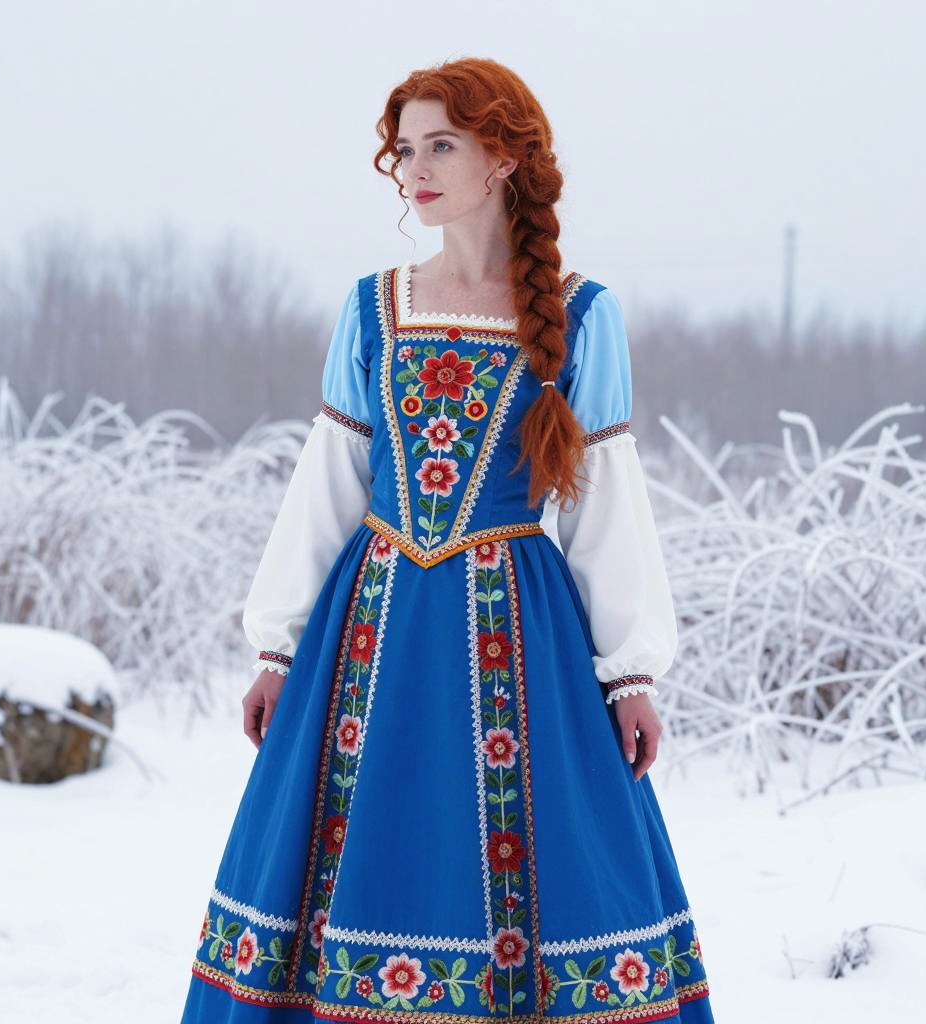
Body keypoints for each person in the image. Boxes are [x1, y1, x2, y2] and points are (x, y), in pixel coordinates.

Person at [179, 56, 715, 1024]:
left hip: (520, 631)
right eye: (405, 149)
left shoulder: (584, 314)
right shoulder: (373, 306)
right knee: (356, 835)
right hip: (371, 621)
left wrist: (629, 670)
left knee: (541, 851)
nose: (414, 169)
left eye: (441, 146)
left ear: (503, 158)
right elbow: (329, 481)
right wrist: (275, 643)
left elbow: (604, 499)